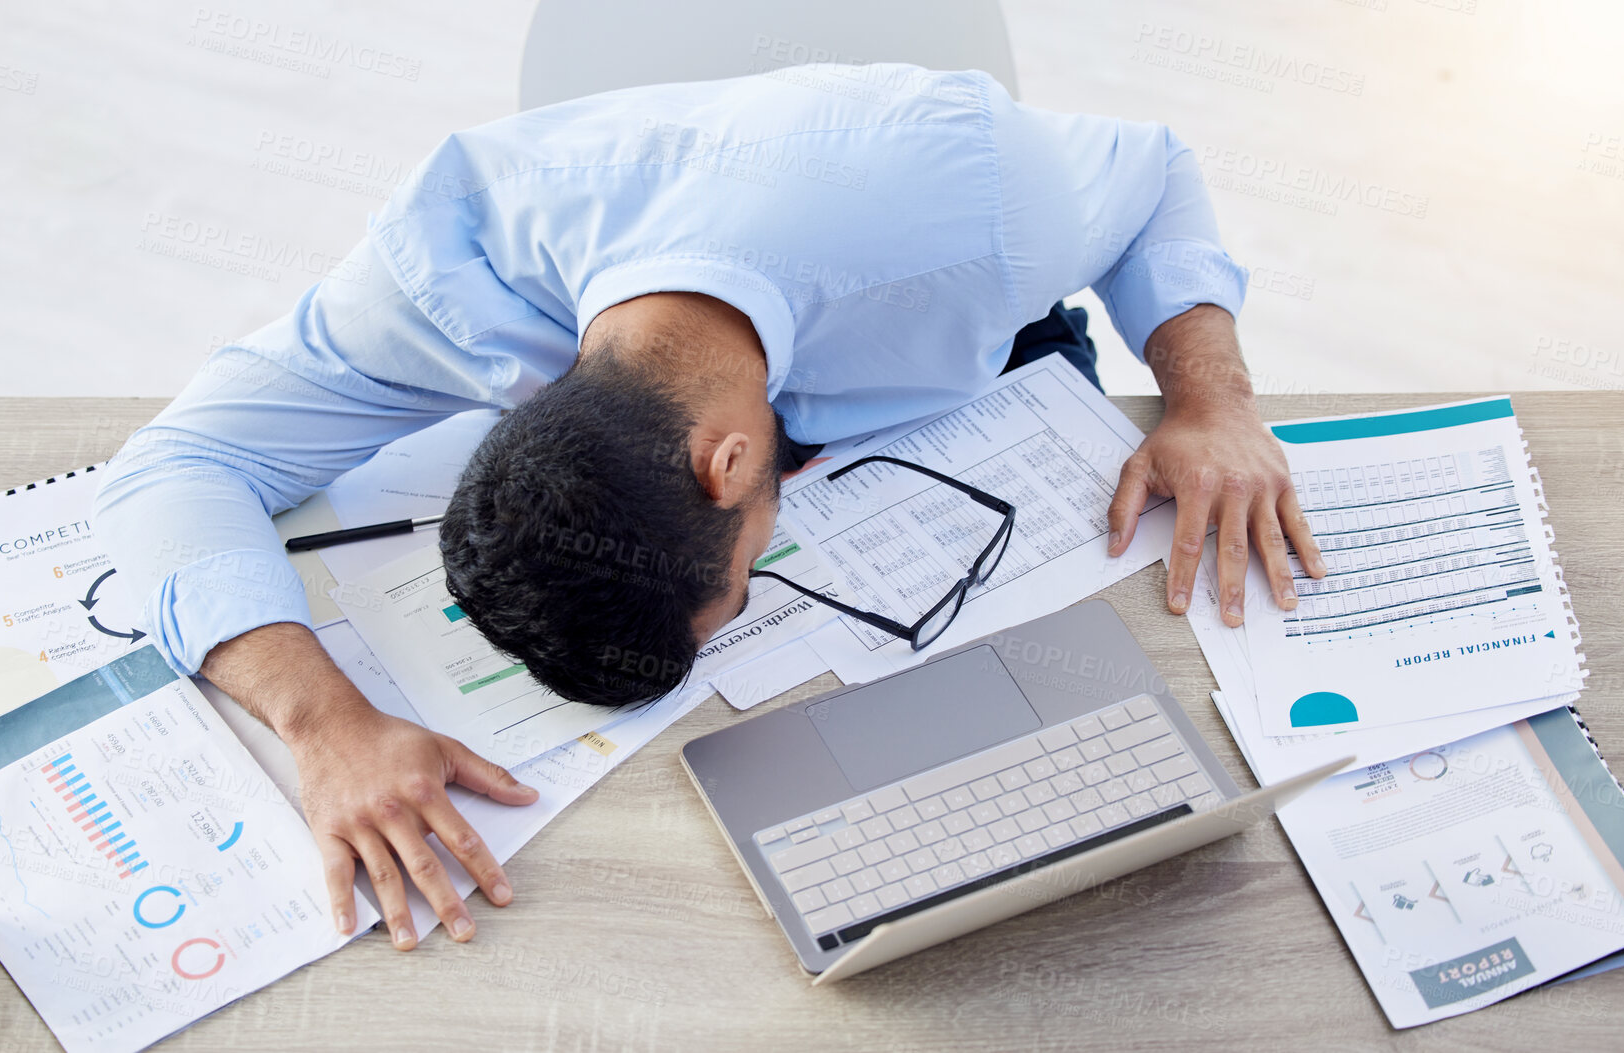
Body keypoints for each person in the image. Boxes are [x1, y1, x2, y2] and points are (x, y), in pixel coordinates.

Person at [94, 62, 1325, 952]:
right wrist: (323, 724)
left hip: (968, 352)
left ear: (733, 469)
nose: (743, 595)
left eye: (733, 591)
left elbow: (1157, 171)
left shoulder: (984, 217)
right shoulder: (446, 280)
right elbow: (177, 467)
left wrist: (1206, 399)